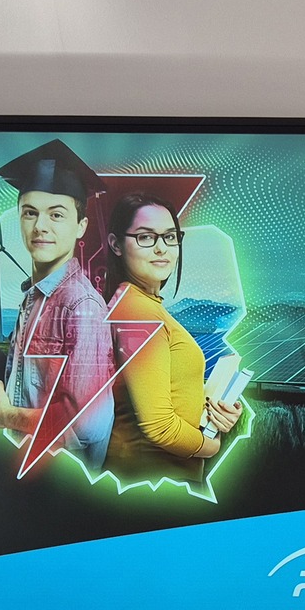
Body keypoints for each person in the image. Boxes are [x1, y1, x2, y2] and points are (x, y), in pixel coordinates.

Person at [0, 139, 115, 471]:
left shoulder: (80, 306)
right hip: (26, 472)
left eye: (56, 214)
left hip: (64, 484)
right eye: (30, 213)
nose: (40, 226)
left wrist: (7, 416)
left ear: (80, 227)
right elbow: (26, 386)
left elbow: (84, 424)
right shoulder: (33, 297)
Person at [100, 192, 243, 483]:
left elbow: (167, 393)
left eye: (169, 237)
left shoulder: (141, 304)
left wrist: (216, 412)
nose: (161, 248)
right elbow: (159, 427)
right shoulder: (139, 312)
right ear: (116, 244)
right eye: (145, 237)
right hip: (151, 483)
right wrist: (211, 445)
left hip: (155, 480)